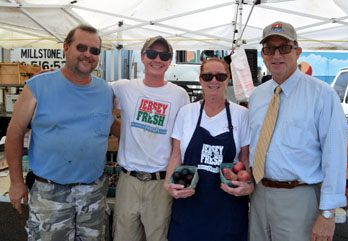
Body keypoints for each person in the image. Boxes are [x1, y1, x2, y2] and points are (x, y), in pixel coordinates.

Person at [5, 24, 114, 240]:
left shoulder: (106, 90)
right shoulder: (37, 86)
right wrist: (16, 182)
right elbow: (14, 133)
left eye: (94, 51)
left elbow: (113, 123)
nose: (88, 55)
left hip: (92, 192)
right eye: (81, 47)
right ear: (65, 47)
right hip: (49, 192)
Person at [249, 21, 348, 241]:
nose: (276, 55)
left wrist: (327, 213)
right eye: (269, 49)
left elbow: (335, 156)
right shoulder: (257, 96)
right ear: (263, 54)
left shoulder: (322, 95)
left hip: (299, 199)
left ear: (298, 51)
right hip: (258, 195)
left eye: (284, 47)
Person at [109, 36, 190, 241]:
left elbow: (181, 139)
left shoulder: (179, 95)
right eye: (152, 54)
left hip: (160, 182)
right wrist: (60, 77)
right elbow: (90, 90)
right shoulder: (124, 87)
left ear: (170, 60)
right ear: (143, 56)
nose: (157, 59)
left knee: (159, 237)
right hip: (128, 180)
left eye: (164, 55)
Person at [164, 57, 254, 241]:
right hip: (189, 203)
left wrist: (248, 185)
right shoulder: (186, 112)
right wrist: (168, 184)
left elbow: (245, 159)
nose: (214, 81)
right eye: (207, 76)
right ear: (200, 79)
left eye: (220, 76)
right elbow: (176, 155)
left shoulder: (241, 114)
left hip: (228, 206)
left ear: (228, 78)